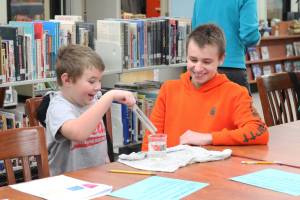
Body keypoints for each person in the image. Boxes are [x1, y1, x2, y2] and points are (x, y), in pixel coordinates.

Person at [142, 24, 268, 151]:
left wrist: (209, 138)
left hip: (211, 169)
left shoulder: (235, 93)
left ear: (221, 59)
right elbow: (150, 140)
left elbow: (260, 132)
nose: (198, 68)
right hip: (171, 168)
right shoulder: (168, 90)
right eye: (193, 60)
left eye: (206, 62)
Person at [45, 45, 136, 176]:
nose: (98, 87)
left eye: (100, 81)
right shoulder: (58, 107)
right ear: (67, 80)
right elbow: (78, 133)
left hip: (97, 179)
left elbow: (101, 147)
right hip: (68, 186)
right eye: (92, 81)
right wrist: (109, 96)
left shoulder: (93, 101)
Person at [191, 0, 261, 90]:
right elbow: (249, 36)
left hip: (202, 69)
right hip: (232, 68)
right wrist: (257, 39)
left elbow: (195, 34)